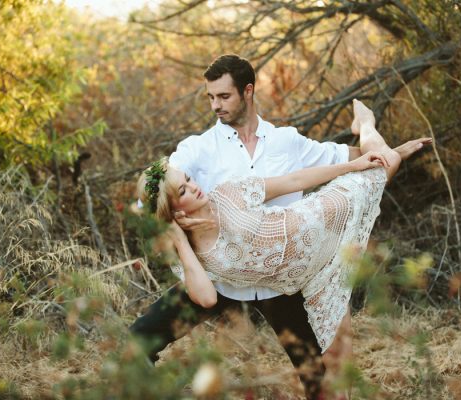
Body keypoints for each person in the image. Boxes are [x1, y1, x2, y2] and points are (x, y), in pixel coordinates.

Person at [130, 54, 430, 399]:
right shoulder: (198, 148)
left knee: (320, 383)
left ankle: (366, 125)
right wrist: (169, 227)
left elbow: (335, 165)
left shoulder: (286, 140)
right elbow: (152, 193)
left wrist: (389, 153)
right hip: (220, 275)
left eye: (223, 96)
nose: (215, 105)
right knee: (138, 341)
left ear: (248, 91)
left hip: (280, 281)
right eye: (210, 97)